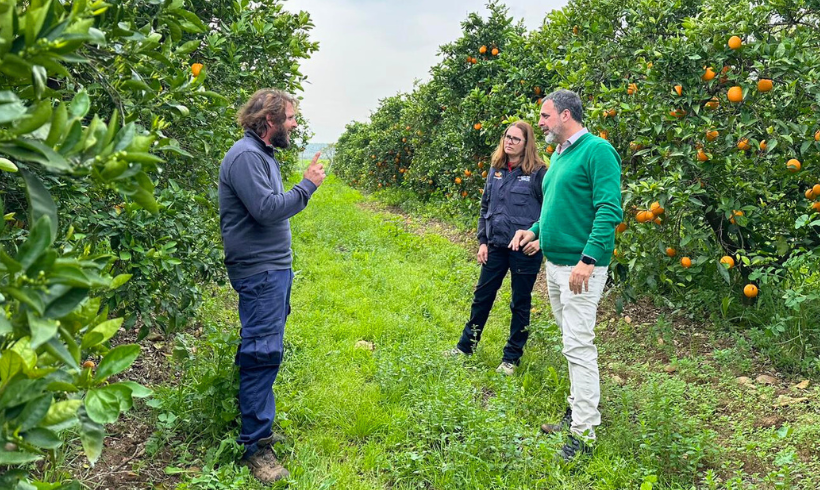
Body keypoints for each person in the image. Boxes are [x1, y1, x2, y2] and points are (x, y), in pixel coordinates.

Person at [218, 88, 326, 482]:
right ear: (269, 121)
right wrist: (307, 185)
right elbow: (266, 210)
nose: (295, 125)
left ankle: (254, 424)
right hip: (260, 271)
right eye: (291, 119)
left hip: (272, 270)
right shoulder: (246, 157)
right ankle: (255, 445)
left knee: (262, 345)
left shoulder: (261, 155)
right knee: (263, 351)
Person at [510, 89, 623, 461]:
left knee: (578, 344)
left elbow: (609, 209)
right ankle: (577, 412)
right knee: (570, 342)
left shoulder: (597, 151)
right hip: (555, 265)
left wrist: (588, 259)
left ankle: (584, 433)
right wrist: (535, 231)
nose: (540, 122)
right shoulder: (558, 156)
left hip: (580, 268)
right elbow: (555, 208)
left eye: (544, 116)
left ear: (564, 115)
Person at [448, 121, 547, 375]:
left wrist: (539, 240)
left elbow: (551, 211)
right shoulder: (496, 169)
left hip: (524, 249)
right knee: (482, 297)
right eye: (507, 137)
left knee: (520, 302)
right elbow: (485, 207)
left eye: (516, 139)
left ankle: (511, 358)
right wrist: (482, 241)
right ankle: (465, 347)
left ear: (527, 144)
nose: (510, 142)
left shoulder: (538, 173)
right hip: (496, 246)